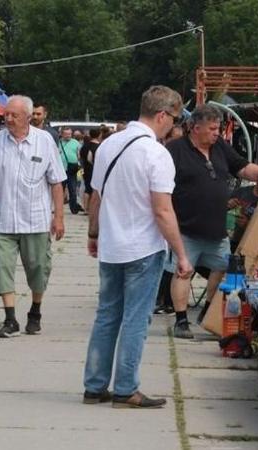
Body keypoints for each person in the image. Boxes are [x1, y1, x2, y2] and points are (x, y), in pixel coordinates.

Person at [83, 85, 193, 409]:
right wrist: (182, 255)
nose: (174, 127)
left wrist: (93, 234)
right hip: (143, 248)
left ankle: (94, 385)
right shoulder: (156, 153)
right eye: (173, 120)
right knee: (135, 319)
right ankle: (126, 388)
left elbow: (96, 196)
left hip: (112, 245)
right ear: (162, 115)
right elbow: (162, 210)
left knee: (106, 316)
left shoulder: (108, 145)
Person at [165, 104, 258, 339]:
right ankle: (181, 320)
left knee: (221, 268)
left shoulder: (219, 146)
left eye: (218, 128)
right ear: (195, 128)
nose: (217, 133)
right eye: (212, 128)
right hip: (185, 228)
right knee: (183, 272)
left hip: (216, 229)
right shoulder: (175, 150)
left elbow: (242, 168)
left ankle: (208, 311)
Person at [0, 95, 67, 338]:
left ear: (28, 117)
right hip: (4, 219)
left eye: (13, 115)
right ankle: (10, 319)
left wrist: (58, 217)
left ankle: (35, 311)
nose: (8, 118)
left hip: (35, 219)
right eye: (6, 114)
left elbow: (57, 182)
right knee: (3, 268)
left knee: (38, 268)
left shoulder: (44, 141)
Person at [228, 179, 258, 253]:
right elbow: (219, 208)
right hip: (232, 239)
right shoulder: (242, 192)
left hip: (251, 244)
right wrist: (228, 204)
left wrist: (248, 224)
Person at [58, 127, 83, 214]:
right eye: (66, 134)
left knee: (72, 189)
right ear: (62, 134)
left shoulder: (75, 142)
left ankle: (73, 208)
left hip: (72, 169)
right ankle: (58, 208)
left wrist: (78, 162)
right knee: (60, 190)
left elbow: (79, 154)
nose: (68, 135)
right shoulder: (58, 142)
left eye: (70, 134)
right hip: (61, 169)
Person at [79, 128, 100, 212]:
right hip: (94, 169)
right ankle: (91, 208)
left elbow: (80, 156)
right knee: (93, 189)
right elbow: (90, 158)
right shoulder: (99, 146)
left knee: (87, 188)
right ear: (99, 135)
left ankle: (85, 207)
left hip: (86, 169)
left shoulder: (85, 146)